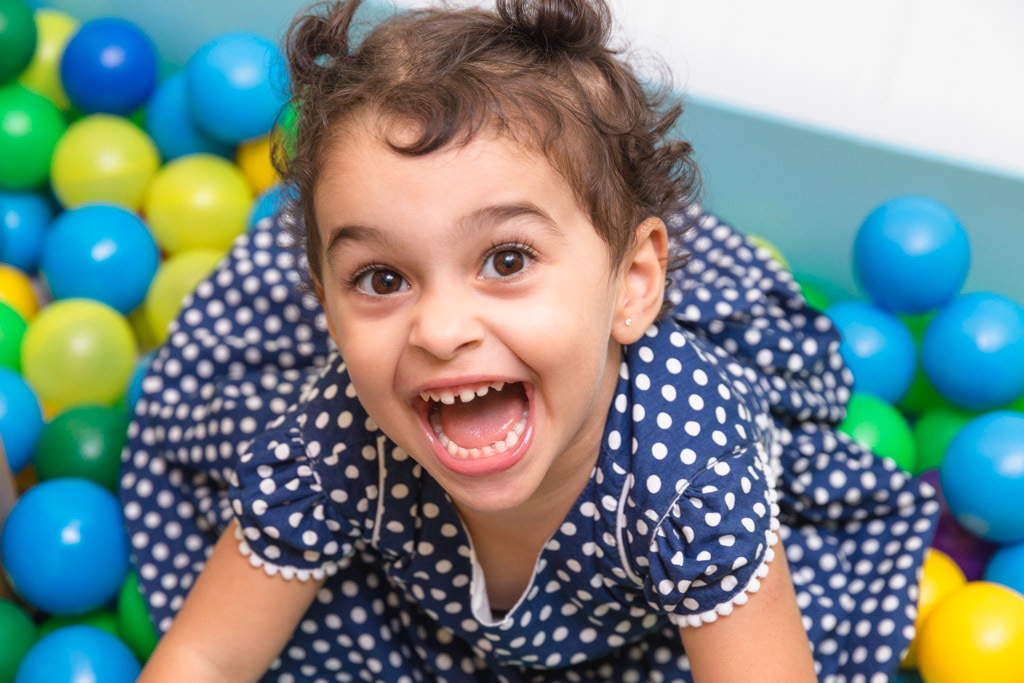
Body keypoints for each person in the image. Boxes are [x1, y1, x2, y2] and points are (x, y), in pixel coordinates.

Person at [125, 0, 939, 680]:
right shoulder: (333, 439)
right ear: (326, 309)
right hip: (419, 620)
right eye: (380, 278)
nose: (441, 331)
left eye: (506, 260)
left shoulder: (690, 476)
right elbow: (207, 656)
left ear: (631, 287)